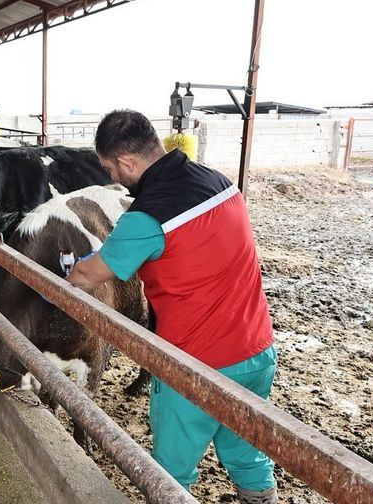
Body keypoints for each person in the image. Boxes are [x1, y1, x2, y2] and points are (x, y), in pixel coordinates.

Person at [66, 110, 279, 503]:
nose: (113, 178)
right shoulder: (221, 183)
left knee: (170, 473)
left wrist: (69, 272)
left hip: (195, 368)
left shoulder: (148, 216)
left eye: (111, 168)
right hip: (257, 350)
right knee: (248, 456)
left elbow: (88, 276)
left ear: (127, 162)